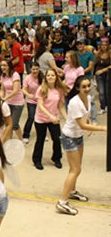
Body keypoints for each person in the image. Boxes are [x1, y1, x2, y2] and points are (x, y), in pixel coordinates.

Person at [56, 76, 107, 215]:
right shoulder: (74, 103)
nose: (87, 89)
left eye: (88, 85)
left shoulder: (88, 98)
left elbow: (86, 117)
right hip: (69, 137)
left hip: (78, 136)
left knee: (76, 168)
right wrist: (102, 128)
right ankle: (62, 202)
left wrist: (90, 122)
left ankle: (71, 191)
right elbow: (82, 124)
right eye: (83, 87)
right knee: (75, 170)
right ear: (77, 88)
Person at [32, 69, 69, 170]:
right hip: (41, 119)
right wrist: (50, 116)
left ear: (56, 77)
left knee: (57, 139)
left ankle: (56, 158)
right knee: (40, 139)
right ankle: (37, 160)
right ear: (45, 77)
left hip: (54, 119)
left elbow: (61, 106)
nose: (50, 77)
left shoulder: (59, 90)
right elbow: (40, 105)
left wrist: (67, 118)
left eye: (53, 75)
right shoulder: (41, 89)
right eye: (48, 75)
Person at [0, 60, 24, 140]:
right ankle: (10, 140)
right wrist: (0, 98)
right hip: (8, 103)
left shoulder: (15, 75)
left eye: (5, 65)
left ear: (9, 66)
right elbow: (2, 89)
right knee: (8, 123)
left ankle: (21, 139)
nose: (3, 67)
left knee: (14, 124)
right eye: (2, 65)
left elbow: (16, 90)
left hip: (17, 103)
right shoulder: (2, 76)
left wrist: (5, 98)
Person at [22, 62, 43, 144]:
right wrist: (28, 94)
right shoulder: (27, 78)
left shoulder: (42, 77)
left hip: (40, 101)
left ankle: (42, 134)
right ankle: (26, 135)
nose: (35, 71)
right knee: (31, 117)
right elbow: (23, 89)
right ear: (30, 69)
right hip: (31, 101)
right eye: (33, 69)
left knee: (41, 118)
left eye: (37, 69)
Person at [94, 37, 111, 114]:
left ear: (108, 46)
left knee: (107, 91)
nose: (103, 46)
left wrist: (103, 70)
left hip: (107, 74)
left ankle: (108, 106)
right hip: (99, 75)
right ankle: (102, 107)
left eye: (105, 45)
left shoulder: (110, 53)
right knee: (101, 92)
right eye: (102, 45)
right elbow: (94, 64)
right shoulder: (98, 53)